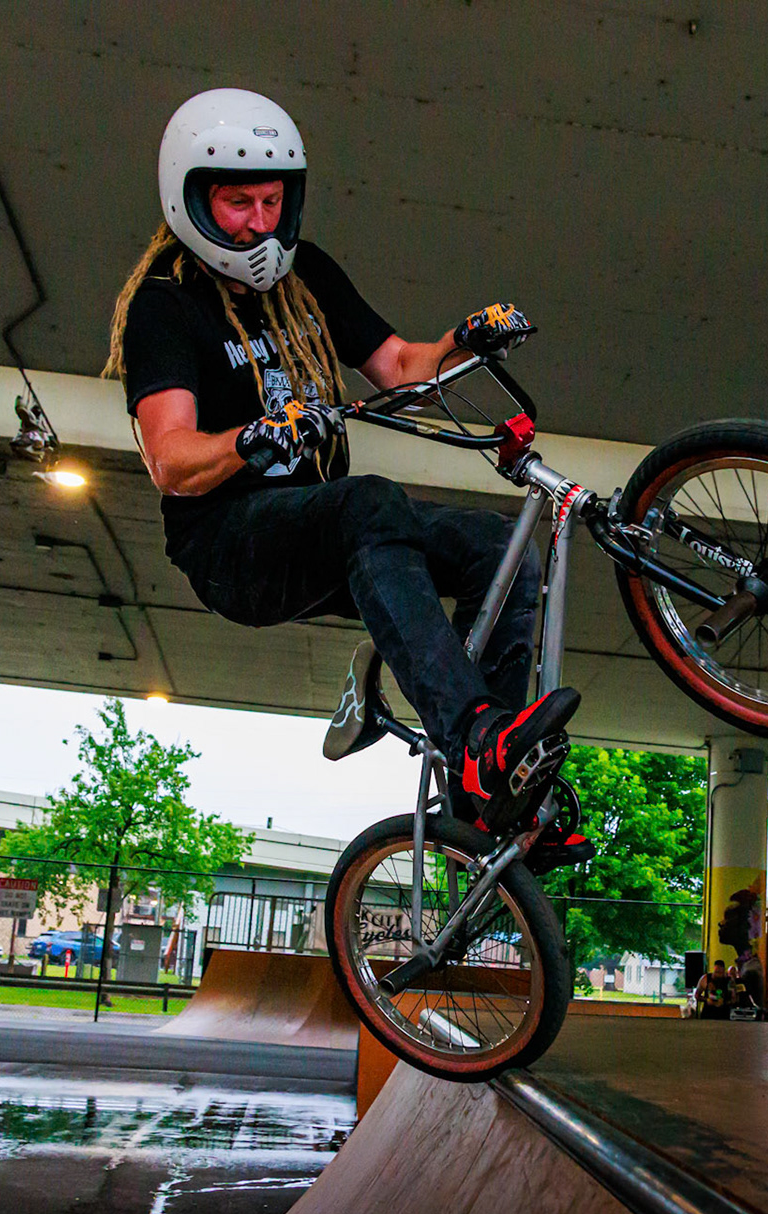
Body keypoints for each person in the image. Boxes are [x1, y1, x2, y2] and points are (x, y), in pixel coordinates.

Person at [105, 88, 584, 854]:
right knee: (368, 502)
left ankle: (491, 792)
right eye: (237, 204)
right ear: (190, 199)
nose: (260, 223)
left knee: (502, 551)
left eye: (272, 202)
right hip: (233, 548)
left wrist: (468, 339)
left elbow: (399, 366)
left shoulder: (306, 277)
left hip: (327, 528)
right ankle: (475, 735)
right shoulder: (166, 307)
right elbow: (170, 459)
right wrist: (254, 439)